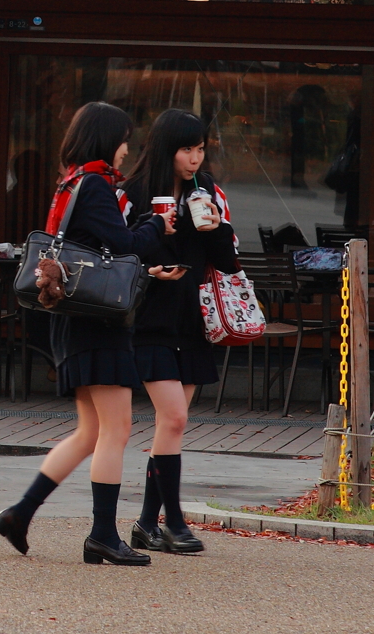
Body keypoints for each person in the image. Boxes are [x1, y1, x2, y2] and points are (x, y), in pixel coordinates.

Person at [0, 102, 177, 566]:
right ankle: (101, 535)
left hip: (72, 322)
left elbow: (104, 247)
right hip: (95, 324)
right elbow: (126, 246)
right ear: (105, 139)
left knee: (90, 432)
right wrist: (157, 224)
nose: (126, 150)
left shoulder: (72, 181)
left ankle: (20, 513)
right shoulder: (93, 185)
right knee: (116, 428)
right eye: (123, 140)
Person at [121, 109, 237, 555]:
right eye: (187, 149)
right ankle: (174, 522)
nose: (195, 158)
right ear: (166, 148)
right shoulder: (134, 193)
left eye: (201, 149)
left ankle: (149, 524)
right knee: (174, 418)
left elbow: (227, 260)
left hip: (191, 317)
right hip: (146, 317)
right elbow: (119, 253)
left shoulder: (207, 189)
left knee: (170, 429)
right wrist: (153, 252)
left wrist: (214, 227)